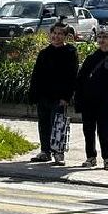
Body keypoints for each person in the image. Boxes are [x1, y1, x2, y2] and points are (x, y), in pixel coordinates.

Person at [27, 21, 78, 165]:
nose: (56, 36)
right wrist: (33, 94)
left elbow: (72, 76)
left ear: (65, 36)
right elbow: (36, 75)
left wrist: (66, 97)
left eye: (60, 34)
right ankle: (45, 151)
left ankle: (58, 153)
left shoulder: (70, 52)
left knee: (58, 125)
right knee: (44, 124)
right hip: (43, 95)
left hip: (60, 97)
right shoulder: (44, 53)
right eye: (54, 33)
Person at [75, 27, 108, 169]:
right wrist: (79, 97)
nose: (101, 40)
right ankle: (90, 157)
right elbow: (81, 78)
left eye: (105, 37)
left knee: (104, 130)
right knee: (88, 130)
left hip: (104, 101)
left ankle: (107, 158)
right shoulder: (91, 57)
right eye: (99, 37)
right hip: (89, 100)